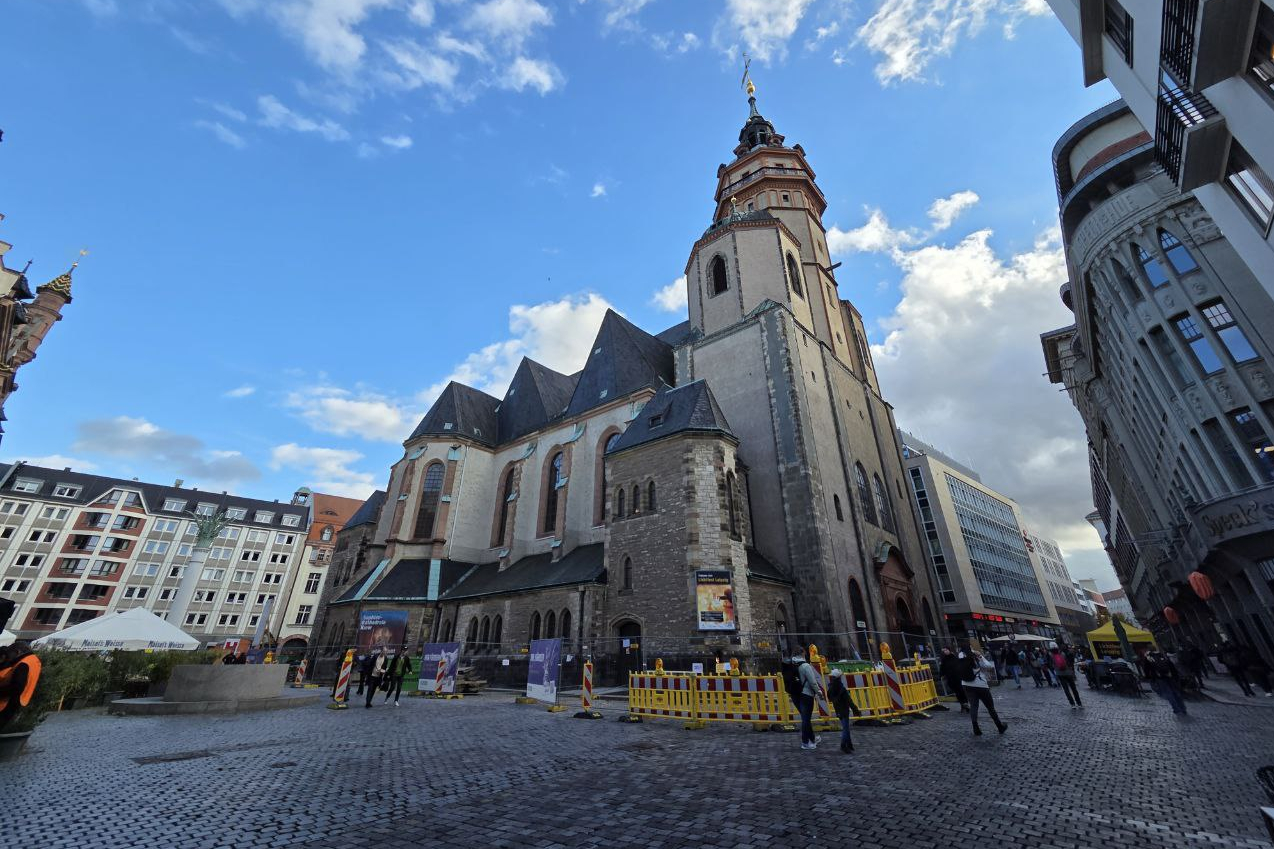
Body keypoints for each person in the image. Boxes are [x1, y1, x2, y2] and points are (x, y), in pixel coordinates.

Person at [957, 648, 1007, 736]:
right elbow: (989, 666)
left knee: (974, 706)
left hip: (966, 685)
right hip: (980, 685)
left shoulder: (960, 659)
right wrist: (980, 656)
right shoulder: (975, 659)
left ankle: (975, 727)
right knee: (990, 707)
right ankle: (999, 726)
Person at [0, 642, 42, 732]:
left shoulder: (23, 664)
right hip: (20, 700)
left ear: (17, 652)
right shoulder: (34, 661)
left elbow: (16, 688)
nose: (8, 657)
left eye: (9, 654)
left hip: (7, 703)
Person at [1138, 649, 1187, 715]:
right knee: (1175, 692)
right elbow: (1171, 666)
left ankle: (1177, 709)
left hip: (1160, 678)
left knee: (1169, 693)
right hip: (1169, 676)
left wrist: (1149, 678)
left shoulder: (1149, 658)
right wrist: (1175, 676)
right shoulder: (1162, 655)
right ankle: (1183, 708)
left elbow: (1146, 669)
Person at [790, 652, 821, 750]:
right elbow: (812, 682)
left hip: (795, 695)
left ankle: (812, 738)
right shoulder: (806, 666)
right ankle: (805, 742)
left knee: (805, 718)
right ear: (803, 655)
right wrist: (819, 692)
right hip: (806, 694)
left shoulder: (791, 666)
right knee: (806, 719)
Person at [826, 668, 860, 754]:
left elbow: (829, 698)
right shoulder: (842, 688)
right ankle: (843, 745)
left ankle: (849, 744)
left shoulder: (830, 687)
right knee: (845, 728)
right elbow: (849, 701)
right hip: (844, 709)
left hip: (837, 709)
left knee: (846, 727)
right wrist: (856, 710)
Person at [938, 647, 968, 711]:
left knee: (962, 691)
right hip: (951, 678)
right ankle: (962, 704)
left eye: (946, 650)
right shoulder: (944, 660)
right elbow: (942, 669)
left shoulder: (955, 657)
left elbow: (960, 665)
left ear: (949, 650)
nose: (945, 651)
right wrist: (941, 675)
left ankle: (966, 704)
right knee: (957, 692)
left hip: (958, 677)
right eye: (944, 651)